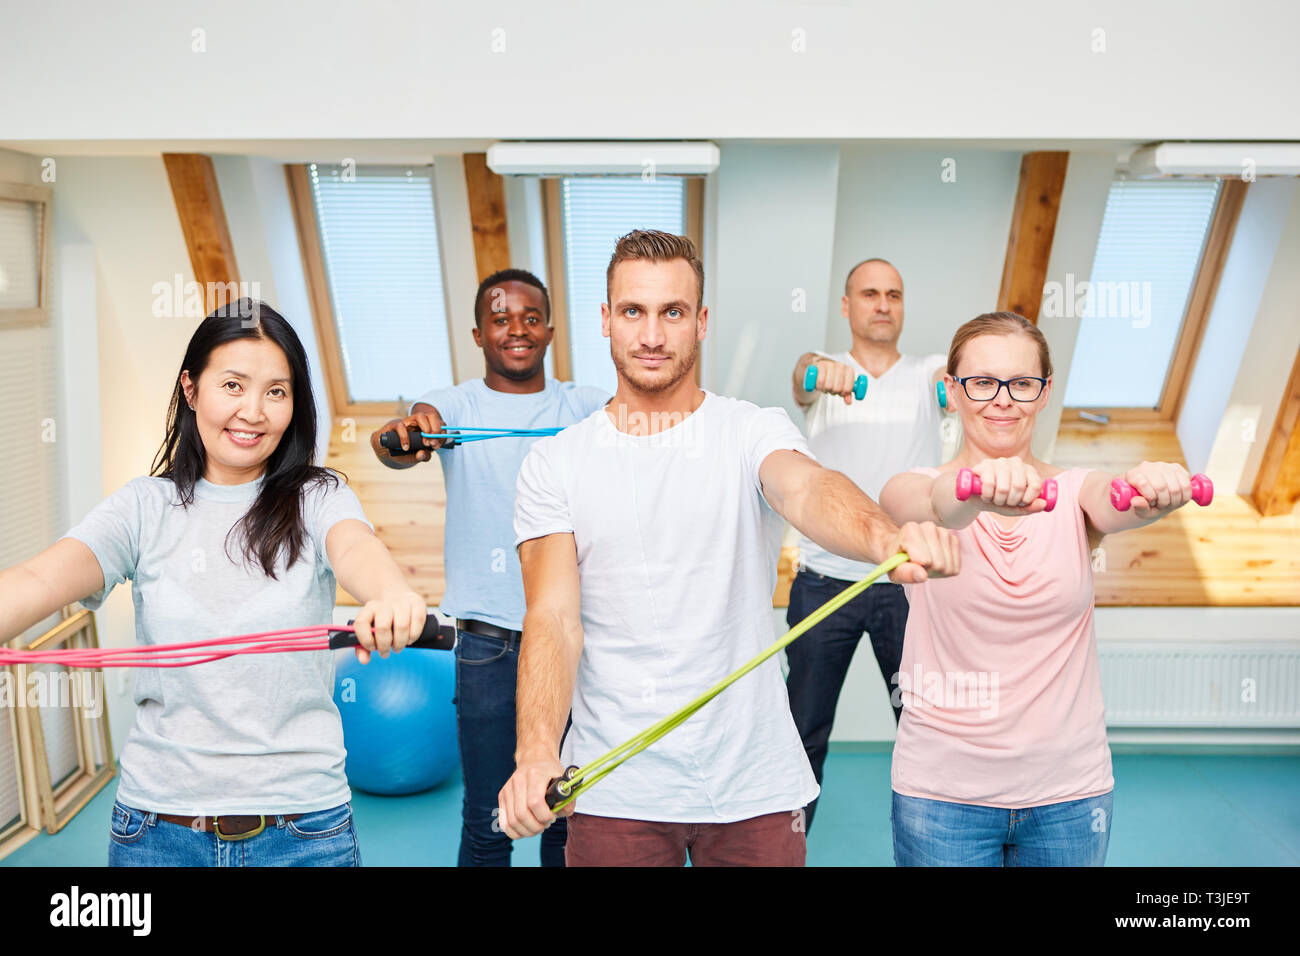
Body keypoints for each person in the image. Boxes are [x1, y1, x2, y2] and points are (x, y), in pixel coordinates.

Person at [496, 230, 960, 867]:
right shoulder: (554, 463)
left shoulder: (751, 428)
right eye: (633, 311)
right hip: (617, 785)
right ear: (606, 320)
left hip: (755, 783)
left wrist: (885, 536)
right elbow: (551, 617)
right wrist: (536, 751)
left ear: (702, 322)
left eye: (673, 312)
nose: (653, 335)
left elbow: (809, 487)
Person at [0, 299, 426, 867]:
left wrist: (391, 593)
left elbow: (356, 546)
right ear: (190, 389)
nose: (253, 411)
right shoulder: (142, 507)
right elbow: (39, 576)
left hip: (304, 829)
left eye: (277, 391)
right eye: (233, 385)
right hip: (157, 831)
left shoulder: (318, 497)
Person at [878, 311, 1200, 866]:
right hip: (941, 794)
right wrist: (976, 490)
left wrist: (1152, 488)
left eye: (1022, 383)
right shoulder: (912, 487)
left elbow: (1115, 497)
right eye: (981, 382)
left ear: (1044, 391)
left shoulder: (1075, 492)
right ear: (952, 390)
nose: (1002, 399)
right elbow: (937, 507)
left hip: (1070, 795)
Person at [370, 268, 607, 867]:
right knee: (487, 822)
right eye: (501, 320)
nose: (517, 330)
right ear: (479, 334)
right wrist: (407, 435)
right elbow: (401, 436)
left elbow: (638, 425)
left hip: (570, 642)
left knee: (564, 817)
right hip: (487, 648)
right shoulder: (452, 408)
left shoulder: (582, 405)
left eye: (531, 318)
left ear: (550, 330)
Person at [787, 257, 951, 831]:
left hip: (904, 585)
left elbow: (953, 387)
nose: (883, 304)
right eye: (870, 293)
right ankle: (787, 845)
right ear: (846, 306)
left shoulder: (932, 371)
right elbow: (802, 377)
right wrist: (813, 370)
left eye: (894, 295)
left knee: (923, 726)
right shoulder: (826, 372)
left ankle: (939, 842)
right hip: (822, 582)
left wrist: (961, 388)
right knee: (802, 729)